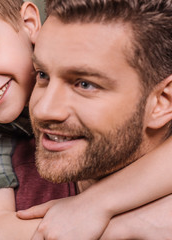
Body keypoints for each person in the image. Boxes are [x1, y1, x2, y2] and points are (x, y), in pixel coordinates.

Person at [0, 0, 172, 239]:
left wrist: (97, 204)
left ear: (30, 24)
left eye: (84, 84)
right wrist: (130, 226)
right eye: (43, 75)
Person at [17, 0, 172, 239]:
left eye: (85, 84)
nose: (43, 110)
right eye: (42, 75)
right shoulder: (10, 184)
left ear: (162, 101)